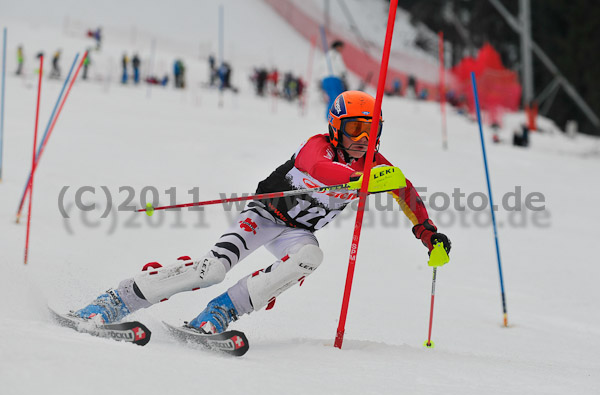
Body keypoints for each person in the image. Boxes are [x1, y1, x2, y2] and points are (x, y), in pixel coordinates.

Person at [71, 91, 451, 335]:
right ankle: (117, 300)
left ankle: (222, 311)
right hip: (265, 216)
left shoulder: (376, 164)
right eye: (355, 128)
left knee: (310, 255)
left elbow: (407, 194)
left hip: (295, 232)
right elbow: (323, 172)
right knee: (213, 270)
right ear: (336, 127)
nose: (363, 139)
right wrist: (361, 178)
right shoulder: (317, 148)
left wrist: (428, 233)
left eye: (372, 130)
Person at [321, 40, 349, 118]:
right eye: (341, 47)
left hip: (325, 79)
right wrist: (344, 74)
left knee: (332, 98)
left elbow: (321, 67)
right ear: (337, 46)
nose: (342, 49)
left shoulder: (326, 55)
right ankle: (332, 116)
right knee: (336, 98)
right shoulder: (336, 54)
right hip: (334, 78)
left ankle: (329, 116)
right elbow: (341, 67)